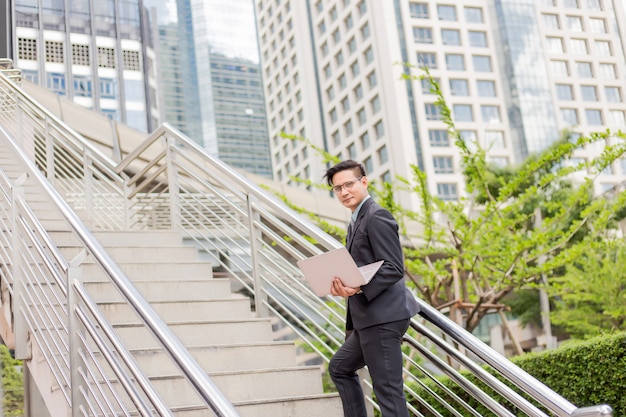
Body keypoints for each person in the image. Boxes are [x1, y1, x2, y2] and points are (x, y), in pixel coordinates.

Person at [323, 160, 419, 417]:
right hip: (368, 320)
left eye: (349, 184)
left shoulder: (377, 216)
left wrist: (357, 289)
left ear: (363, 182)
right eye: (337, 188)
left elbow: (394, 267)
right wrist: (343, 284)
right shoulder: (356, 221)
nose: (343, 192)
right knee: (340, 368)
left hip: (383, 318)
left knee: (388, 393)